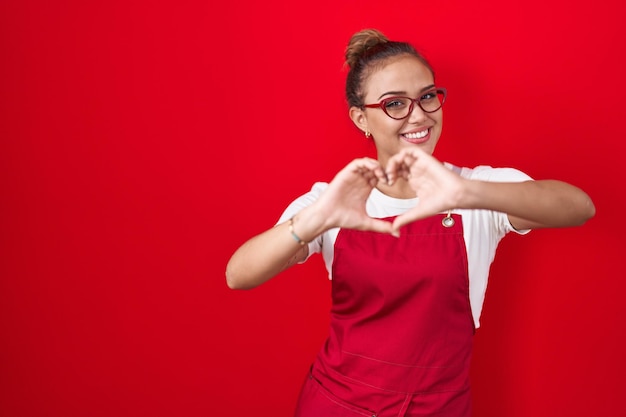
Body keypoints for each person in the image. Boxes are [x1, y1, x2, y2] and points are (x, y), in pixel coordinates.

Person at [225, 28, 595, 417]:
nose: (418, 115)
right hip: (339, 405)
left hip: (441, 408)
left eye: (427, 97)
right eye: (394, 104)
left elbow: (578, 207)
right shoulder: (334, 198)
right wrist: (315, 219)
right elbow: (239, 274)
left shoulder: (475, 189)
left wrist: (468, 194)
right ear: (361, 118)